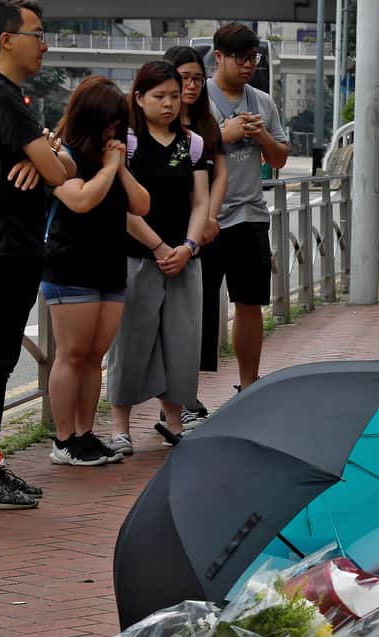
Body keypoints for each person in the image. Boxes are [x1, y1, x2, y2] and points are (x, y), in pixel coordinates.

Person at [0, 0, 72, 510]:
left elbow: (54, 163)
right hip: (4, 243)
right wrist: (43, 156)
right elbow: (61, 171)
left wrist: (43, 155)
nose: (44, 44)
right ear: (7, 39)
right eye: (37, 34)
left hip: (7, 241)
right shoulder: (0, 96)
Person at [42, 76, 151, 466]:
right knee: (71, 354)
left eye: (119, 124)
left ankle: (86, 434)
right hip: (70, 264)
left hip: (110, 263)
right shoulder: (61, 155)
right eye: (108, 122)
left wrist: (119, 169)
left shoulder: (115, 157)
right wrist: (108, 167)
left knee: (94, 357)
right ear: (90, 118)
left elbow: (141, 205)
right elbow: (82, 200)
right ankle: (63, 439)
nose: (114, 131)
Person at [106, 61, 212, 454]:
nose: (168, 104)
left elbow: (200, 201)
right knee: (131, 342)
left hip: (185, 259)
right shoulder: (127, 144)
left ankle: (172, 420)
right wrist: (157, 246)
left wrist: (188, 246)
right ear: (139, 98)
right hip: (137, 256)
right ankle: (120, 428)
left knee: (182, 343)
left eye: (173, 95)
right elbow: (121, 206)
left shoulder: (193, 143)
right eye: (159, 96)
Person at [202, 24, 289, 392]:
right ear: (219, 56)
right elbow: (177, 151)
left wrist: (260, 135)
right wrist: (224, 134)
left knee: (250, 304)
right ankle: (185, 397)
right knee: (199, 309)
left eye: (254, 58)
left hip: (250, 216)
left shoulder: (262, 102)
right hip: (204, 219)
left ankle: (248, 384)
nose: (249, 65)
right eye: (242, 58)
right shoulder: (197, 97)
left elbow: (280, 158)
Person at [163, 45, 227, 430]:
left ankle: (185, 397)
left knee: (193, 322)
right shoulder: (148, 120)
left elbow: (219, 174)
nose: (190, 85)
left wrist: (209, 218)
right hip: (161, 233)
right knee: (159, 325)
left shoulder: (205, 124)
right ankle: (167, 402)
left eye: (197, 79)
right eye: (183, 77)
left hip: (199, 235)